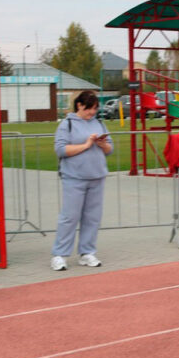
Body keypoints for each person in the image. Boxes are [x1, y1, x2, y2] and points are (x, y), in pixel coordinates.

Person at [50, 90, 113, 271]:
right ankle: (59, 255)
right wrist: (86, 145)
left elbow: (110, 149)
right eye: (89, 108)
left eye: (95, 109)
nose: (92, 112)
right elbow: (61, 150)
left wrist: (102, 144)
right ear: (79, 105)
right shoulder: (67, 124)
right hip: (74, 178)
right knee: (69, 217)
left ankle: (87, 252)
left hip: (97, 176)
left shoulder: (99, 123)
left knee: (92, 218)